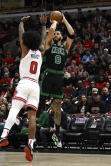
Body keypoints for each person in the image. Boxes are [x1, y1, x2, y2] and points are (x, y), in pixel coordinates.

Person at [0, 14, 47, 162]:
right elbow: (43, 39)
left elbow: (21, 34)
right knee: (32, 117)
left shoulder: (25, 50)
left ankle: (3, 136)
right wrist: (43, 25)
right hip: (35, 85)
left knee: (14, 110)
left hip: (24, 83)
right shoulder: (41, 52)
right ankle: (30, 144)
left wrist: (21, 22)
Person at [38, 12, 74, 149]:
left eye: (58, 34)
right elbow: (50, 32)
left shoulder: (65, 47)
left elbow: (72, 33)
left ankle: (57, 135)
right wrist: (54, 22)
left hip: (59, 77)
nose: (56, 35)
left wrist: (63, 19)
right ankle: (33, 131)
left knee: (57, 107)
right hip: (49, 75)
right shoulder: (49, 45)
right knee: (41, 103)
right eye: (55, 34)